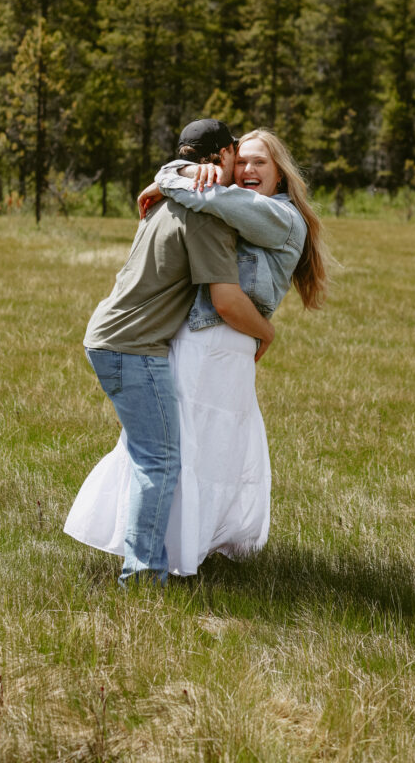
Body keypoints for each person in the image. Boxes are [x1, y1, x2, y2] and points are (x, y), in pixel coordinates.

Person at [66, 124, 327, 577]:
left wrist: (168, 178)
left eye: (258, 162)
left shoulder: (276, 217)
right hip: (190, 340)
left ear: (281, 174)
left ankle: (175, 555)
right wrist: (180, 175)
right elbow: (213, 220)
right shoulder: (221, 210)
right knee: (177, 454)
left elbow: (213, 202)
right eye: (240, 160)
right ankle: (162, 559)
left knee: (197, 454)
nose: (246, 168)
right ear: (224, 157)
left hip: (218, 343)